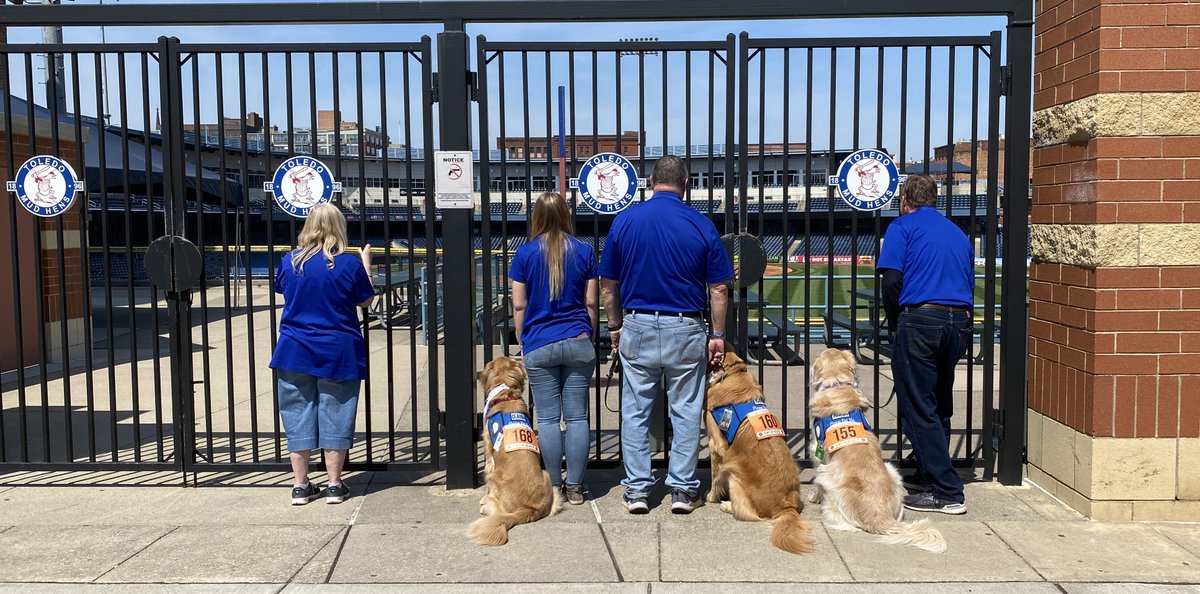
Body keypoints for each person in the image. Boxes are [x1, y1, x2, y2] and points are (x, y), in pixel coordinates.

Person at [599, 155, 733, 515]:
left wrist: (614, 326)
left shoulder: (625, 220)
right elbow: (719, 288)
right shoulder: (700, 223)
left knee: (635, 412)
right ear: (685, 184)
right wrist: (718, 334)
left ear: (650, 181)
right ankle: (682, 490)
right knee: (685, 412)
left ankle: (638, 490)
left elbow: (608, 285)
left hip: (638, 323)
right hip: (685, 326)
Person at [877, 174, 974, 515]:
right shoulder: (957, 232)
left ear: (905, 200)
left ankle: (946, 491)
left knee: (917, 406)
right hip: (958, 320)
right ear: (934, 199)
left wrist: (894, 321)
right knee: (939, 402)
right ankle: (928, 469)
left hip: (921, 318)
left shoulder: (902, 226)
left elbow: (892, 280)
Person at [270, 203, 376, 505]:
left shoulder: (290, 261)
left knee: (297, 413)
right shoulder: (348, 264)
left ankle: (300, 485)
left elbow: (284, 290)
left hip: (294, 349)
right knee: (336, 412)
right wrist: (366, 266)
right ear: (339, 227)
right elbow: (366, 301)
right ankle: (334, 484)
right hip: (338, 351)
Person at [509, 191, 599, 505]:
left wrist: (522, 338)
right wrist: (588, 333)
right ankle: (575, 486)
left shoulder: (524, 254)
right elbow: (591, 302)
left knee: (547, 419)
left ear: (537, 216)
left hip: (539, 341)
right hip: (577, 339)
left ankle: (555, 485)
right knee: (577, 418)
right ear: (565, 215)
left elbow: (519, 305)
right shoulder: (584, 251)